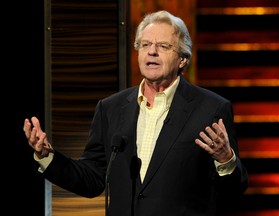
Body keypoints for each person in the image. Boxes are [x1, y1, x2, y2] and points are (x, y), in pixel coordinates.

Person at [23, 10, 248, 216]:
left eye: (163, 46)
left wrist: (225, 160)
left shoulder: (210, 108)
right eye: (145, 44)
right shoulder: (110, 108)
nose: (152, 51)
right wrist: (47, 157)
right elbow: (92, 179)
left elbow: (232, 193)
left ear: (182, 59)